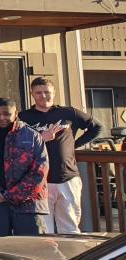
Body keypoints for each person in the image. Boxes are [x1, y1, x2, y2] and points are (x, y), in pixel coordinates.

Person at [18, 77, 103, 234]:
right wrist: (40, 139)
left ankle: (73, 259)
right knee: (44, 231)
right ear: (32, 94)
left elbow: (97, 127)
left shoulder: (68, 113)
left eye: (47, 92)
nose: (43, 96)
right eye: (38, 93)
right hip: (38, 181)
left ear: (54, 92)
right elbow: (15, 148)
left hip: (68, 178)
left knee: (70, 228)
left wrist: (74, 145)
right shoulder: (23, 118)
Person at [0, 98, 49, 237]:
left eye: (6, 114)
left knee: (34, 251)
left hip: (27, 204)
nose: (1, 117)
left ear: (15, 113)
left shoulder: (32, 136)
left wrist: (10, 195)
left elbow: (40, 171)